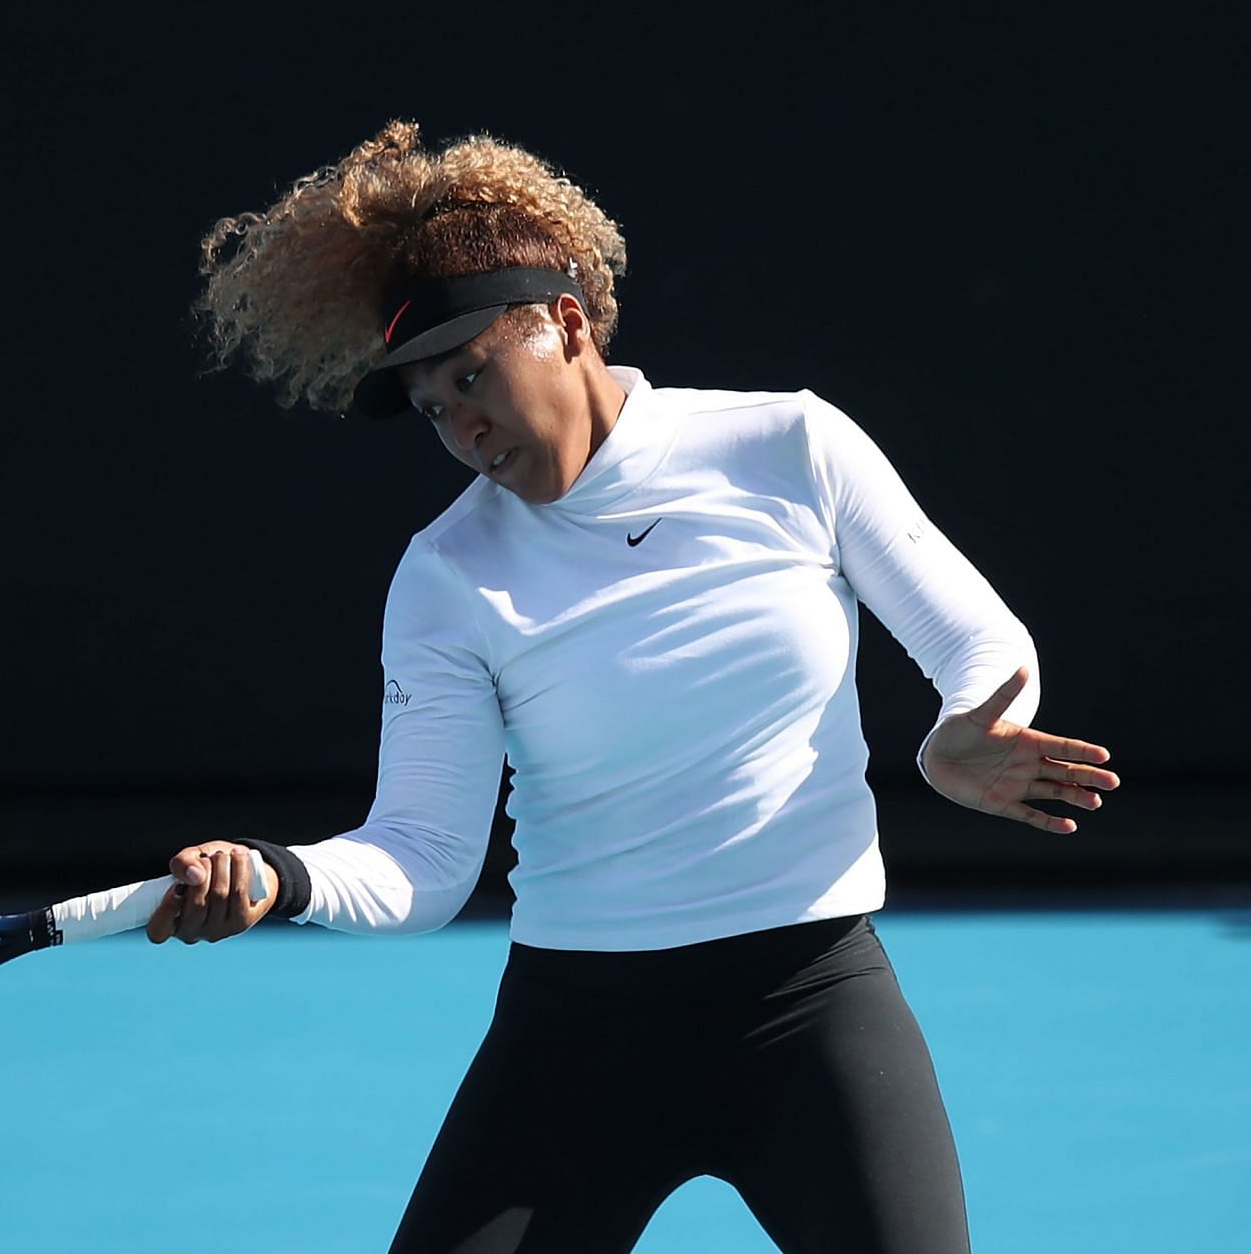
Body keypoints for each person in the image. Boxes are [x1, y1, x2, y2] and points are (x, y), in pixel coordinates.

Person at [146, 119, 1118, 1253]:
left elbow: (983, 642)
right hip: (579, 1038)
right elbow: (423, 858)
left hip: (814, 1004)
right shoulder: (446, 575)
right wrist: (283, 873)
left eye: (472, 374)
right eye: (430, 408)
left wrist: (963, 730)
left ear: (566, 325)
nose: (461, 424)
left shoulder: (789, 448)